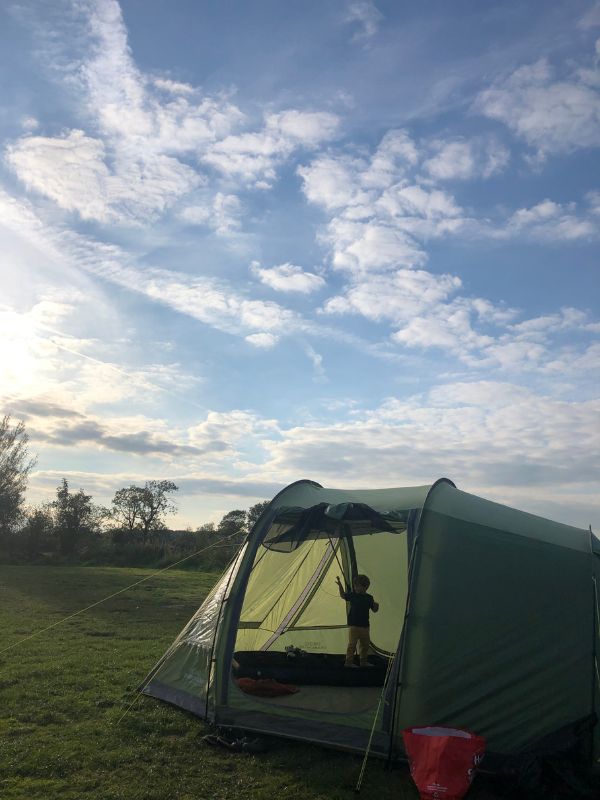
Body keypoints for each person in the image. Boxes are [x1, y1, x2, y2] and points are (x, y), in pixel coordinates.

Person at [336, 574, 379, 668]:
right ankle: (348, 662)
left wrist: (376, 606)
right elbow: (343, 595)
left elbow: (374, 610)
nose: (355, 588)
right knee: (352, 645)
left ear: (365, 587)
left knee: (365, 645)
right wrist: (340, 585)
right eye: (355, 586)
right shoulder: (353, 595)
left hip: (365, 626)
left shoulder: (369, 598)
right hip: (354, 625)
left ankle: (363, 662)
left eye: (357, 586)